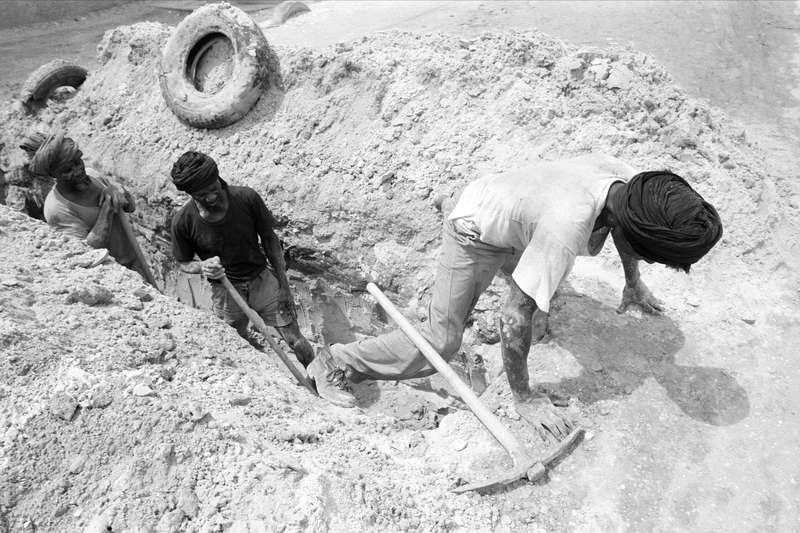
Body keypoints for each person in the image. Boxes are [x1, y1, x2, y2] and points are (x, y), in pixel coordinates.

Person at [311, 153, 723, 438]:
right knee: (443, 340)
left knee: (541, 297)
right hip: (476, 228)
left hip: (520, 212)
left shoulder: (631, 185)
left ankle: (483, 224)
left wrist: (632, 283)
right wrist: (523, 396)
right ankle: (338, 362)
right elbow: (513, 317)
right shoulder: (567, 227)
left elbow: (626, 230)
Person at [169, 151, 354, 406]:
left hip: (262, 281)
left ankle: (318, 382)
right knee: (235, 338)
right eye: (202, 195)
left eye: (213, 188)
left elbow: (270, 240)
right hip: (226, 290)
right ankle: (264, 383)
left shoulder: (246, 198)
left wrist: (283, 285)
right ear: (190, 194)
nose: (211, 197)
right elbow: (183, 262)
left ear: (218, 177)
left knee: (295, 340)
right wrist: (202, 268)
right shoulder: (183, 221)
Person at [20, 130, 147, 278]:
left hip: (137, 263)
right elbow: (86, 252)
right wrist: (107, 208)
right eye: (67, 170)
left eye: (78, 162)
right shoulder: (57, 209)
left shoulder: (92, 175)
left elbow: (130, 207)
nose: (78, 171)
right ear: (53, 174)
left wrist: (119, 190)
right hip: (115, 277)